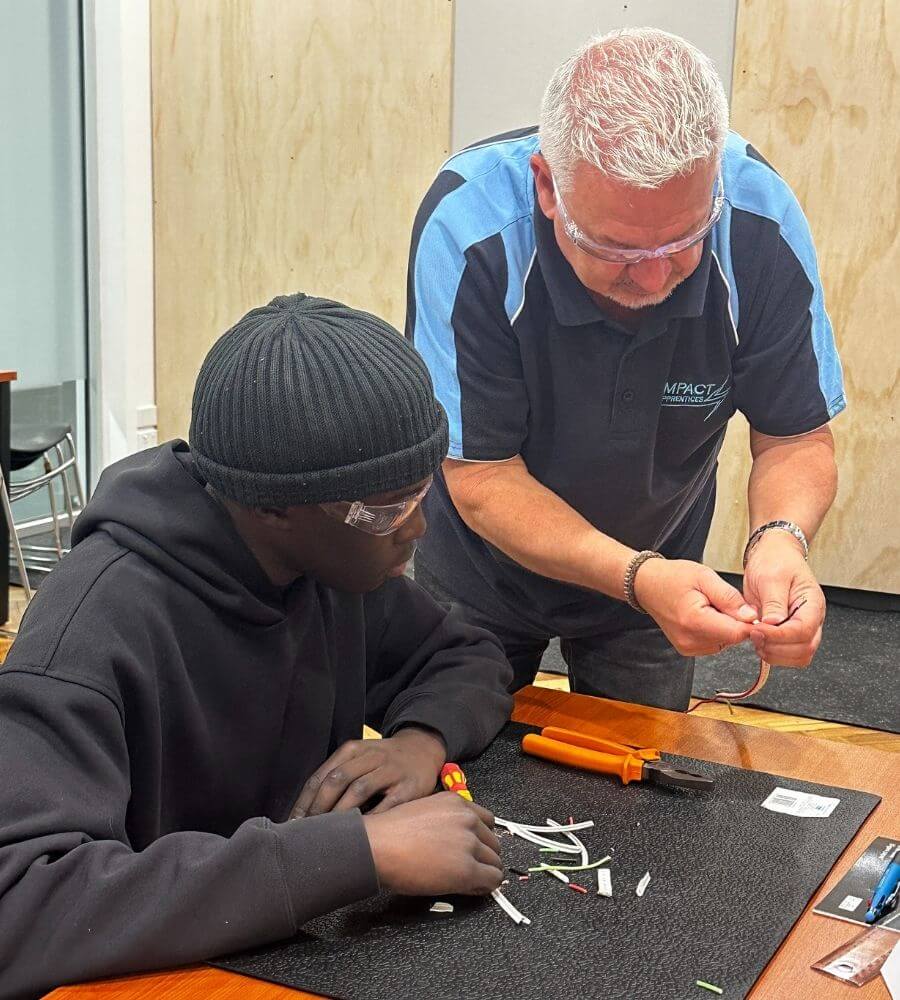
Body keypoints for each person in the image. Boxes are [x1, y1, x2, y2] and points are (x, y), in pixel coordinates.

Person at [0, 294, 512, 998]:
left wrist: (416, 744)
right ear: (274, 506)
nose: (416, 529)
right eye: (389, 509)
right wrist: (358, 852)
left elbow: (467, 658)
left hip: (282, 953)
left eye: (424, 495)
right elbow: (20, 906)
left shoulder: (330, 566)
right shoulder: (91, 636)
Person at [406, 27, 844, 710]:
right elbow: (482, 476)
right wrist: (640, 576)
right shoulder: (471, 229)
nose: (653, 274)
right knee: (456, 777)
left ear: (714, 189)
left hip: (659, 572)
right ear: (547, 187)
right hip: (481, 573)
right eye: (614, 245)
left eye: (683, 239)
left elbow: (794, 438)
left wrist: (780, 541)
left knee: (645, 795)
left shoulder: (758, 220)